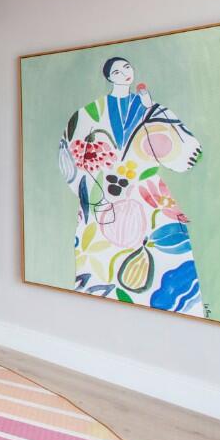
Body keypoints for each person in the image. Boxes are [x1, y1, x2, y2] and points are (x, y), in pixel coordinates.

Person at [58, 56, 205, 315]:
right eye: (117, 70)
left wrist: (151, 112)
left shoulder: (152, 108)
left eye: (127, 67)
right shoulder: (89, 113)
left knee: (163, 253)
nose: (125, 73)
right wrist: (93, 194)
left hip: (148, 196)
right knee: (101, 264)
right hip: (104, 199)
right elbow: (69, 155)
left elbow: (187, 151)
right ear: (109, 77)